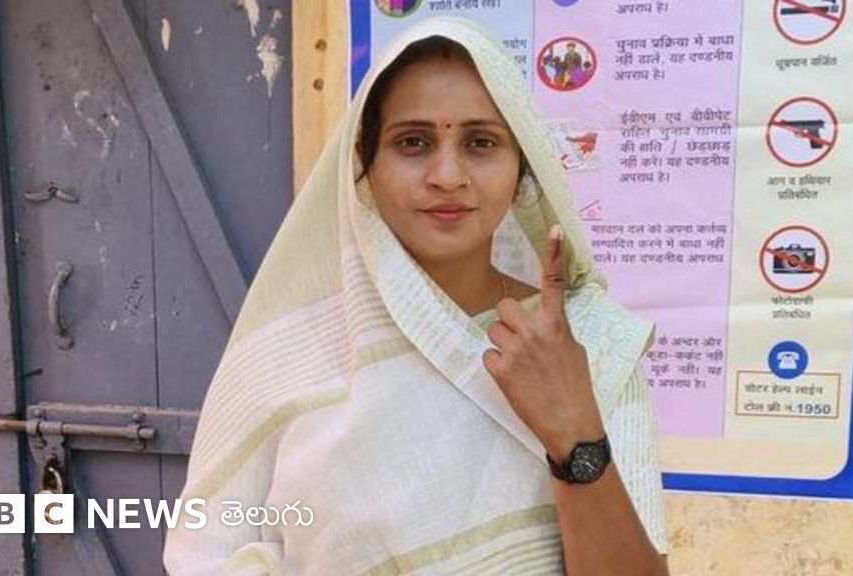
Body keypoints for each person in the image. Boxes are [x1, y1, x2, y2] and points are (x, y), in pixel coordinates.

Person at [163, 16, 669, 575]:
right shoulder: (287, 356)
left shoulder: (588, 344)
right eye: (413, 142)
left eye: (480, 143)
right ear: (365, 165)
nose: (447, 175)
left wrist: (573, 431)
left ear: (522, 170)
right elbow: (203, 550)